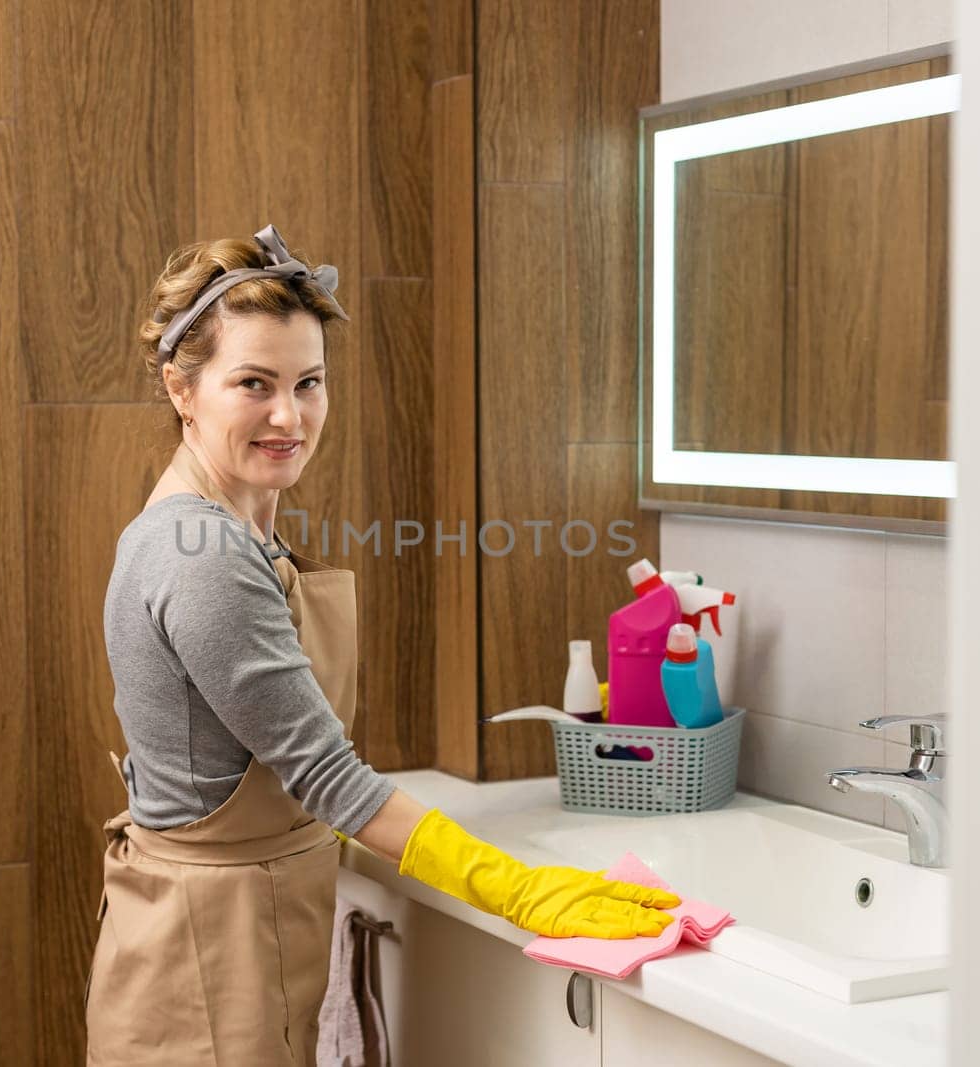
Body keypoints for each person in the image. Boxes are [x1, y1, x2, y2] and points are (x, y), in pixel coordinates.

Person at [83, 225, 679, 1066]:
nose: (290, 415)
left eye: (309, 382)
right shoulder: (205, 556)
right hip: (207, 972)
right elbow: (327, 775)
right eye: (254, 383)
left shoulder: (232, 529)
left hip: (234, 934)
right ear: (183, 389)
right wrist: (520, 887)